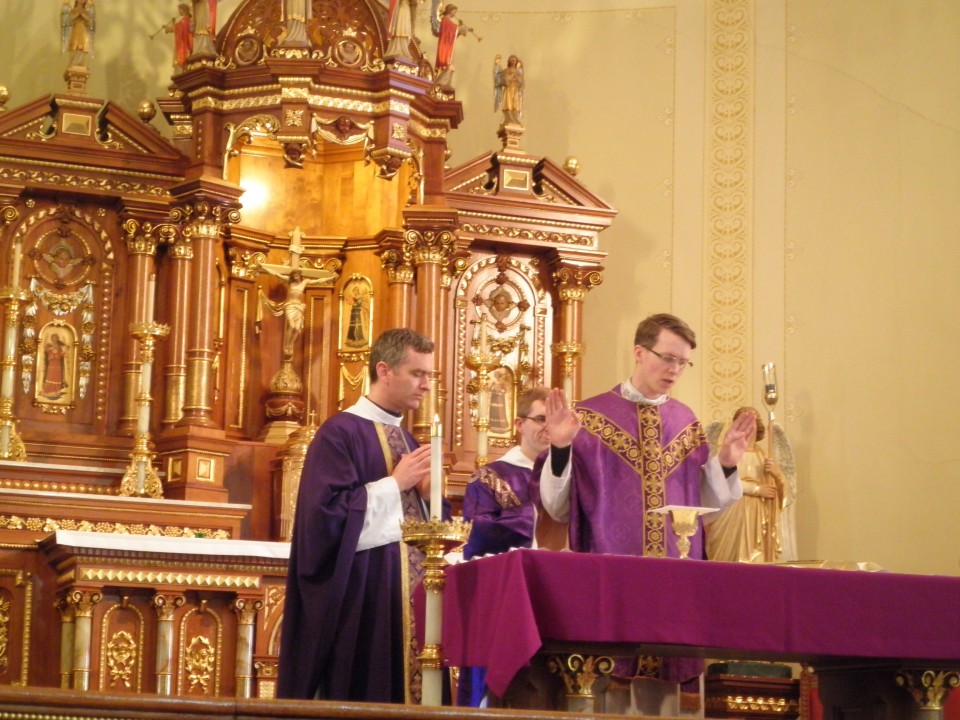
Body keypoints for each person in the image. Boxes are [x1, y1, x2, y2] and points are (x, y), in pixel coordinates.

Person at [536, 312, 755, 716]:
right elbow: (558, 506)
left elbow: (703, 508)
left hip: (676, 586)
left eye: (683, 362)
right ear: (639, 352)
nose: (675, 370)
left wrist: (725, 462)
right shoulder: (588, 419)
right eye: (667, 358)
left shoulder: (685, 422)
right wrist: (562, 447)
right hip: (613, 582)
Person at [278, 327, 439, 701]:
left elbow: (420, 529)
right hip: (365, 599)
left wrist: (430, 498)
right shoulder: (339, 433)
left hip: (407, 598)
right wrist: (394, 485)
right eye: (418, 373)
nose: (427, 385)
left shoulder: (409, 440)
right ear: (384, 371)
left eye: (430, 375)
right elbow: (324, 522)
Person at [458, 386, 550, 707]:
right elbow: (475, 534)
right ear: (519, 424)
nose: (548, 428)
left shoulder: (570, 475)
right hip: (505, 598)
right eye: (540, 419)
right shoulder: (490, 477)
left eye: (554, 420)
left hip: (554, 596)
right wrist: (534, 517)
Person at [704, 406, 795, 563]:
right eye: (742, 423)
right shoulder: (726, 454)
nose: (747, 428)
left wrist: (777, 474)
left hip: (757, 518)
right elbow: (721, 482)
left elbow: (781, 495)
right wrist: (757, 489)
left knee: (756, 561)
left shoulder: (764, 457)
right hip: (730, 515)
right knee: (727, 561)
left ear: (758, 427)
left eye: (751, 423)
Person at [434, 4, 466, 88]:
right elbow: (452, 29)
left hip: (448, 45)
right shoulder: (445, 20)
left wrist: (460, 29)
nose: (455, 14)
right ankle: (441, 84)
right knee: (447, 65)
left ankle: (444, 83)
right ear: (450, 11)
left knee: (449, 65)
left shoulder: (447, 21)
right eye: (454, 12)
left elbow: (453, 32)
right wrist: (461, 28)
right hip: (445, 46)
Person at [63, 0, 96, 66]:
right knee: (75, 44)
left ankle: (80, 62)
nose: (81, 1)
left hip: (83, 30)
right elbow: (69, 21)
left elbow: (89, 22)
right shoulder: (73, 10)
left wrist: (83, 16)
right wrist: (76, 15)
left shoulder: (85, 12)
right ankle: (74, 62)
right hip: (75, 30)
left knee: (83, 46)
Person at [494, 54, 524, 126]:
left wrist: (518, 77)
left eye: (515, 60)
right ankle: (509, 119)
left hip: (516, 91)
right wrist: (513, 75)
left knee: (516, 106)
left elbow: (521, 83)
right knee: (509, 105)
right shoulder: (506, 71)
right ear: (509, 61)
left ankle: (515, 119)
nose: (513, 61)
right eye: (512, 59)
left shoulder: (519, 72)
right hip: (509, 90)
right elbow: (506, 82)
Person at [163, 3, 193, 71]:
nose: (179, 11)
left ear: (183, 10)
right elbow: (177, 28)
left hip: (185, 44)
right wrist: (171, 25)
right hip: (185, 43)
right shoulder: (185, 20)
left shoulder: (185, 20)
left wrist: (168, 27)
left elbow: (178, 28)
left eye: (179, 9)